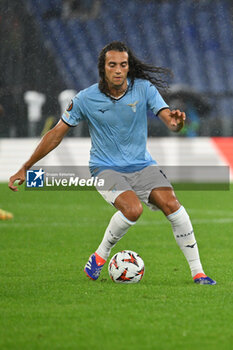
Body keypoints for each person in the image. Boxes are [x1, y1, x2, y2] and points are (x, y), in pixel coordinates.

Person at [8, 41, 216, 285]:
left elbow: (171, 122)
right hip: (105, 169)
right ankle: (100, 256)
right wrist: (27, 165)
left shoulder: (144, 89)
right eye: (112, 65)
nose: (118, 70)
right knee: (132, 210)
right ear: (103, 68)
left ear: (128, 67)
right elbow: (55, 134)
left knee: (174, 207)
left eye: (123, 65)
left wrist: (178, 122)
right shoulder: (86, 99)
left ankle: (198, 273)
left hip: (143, 165)